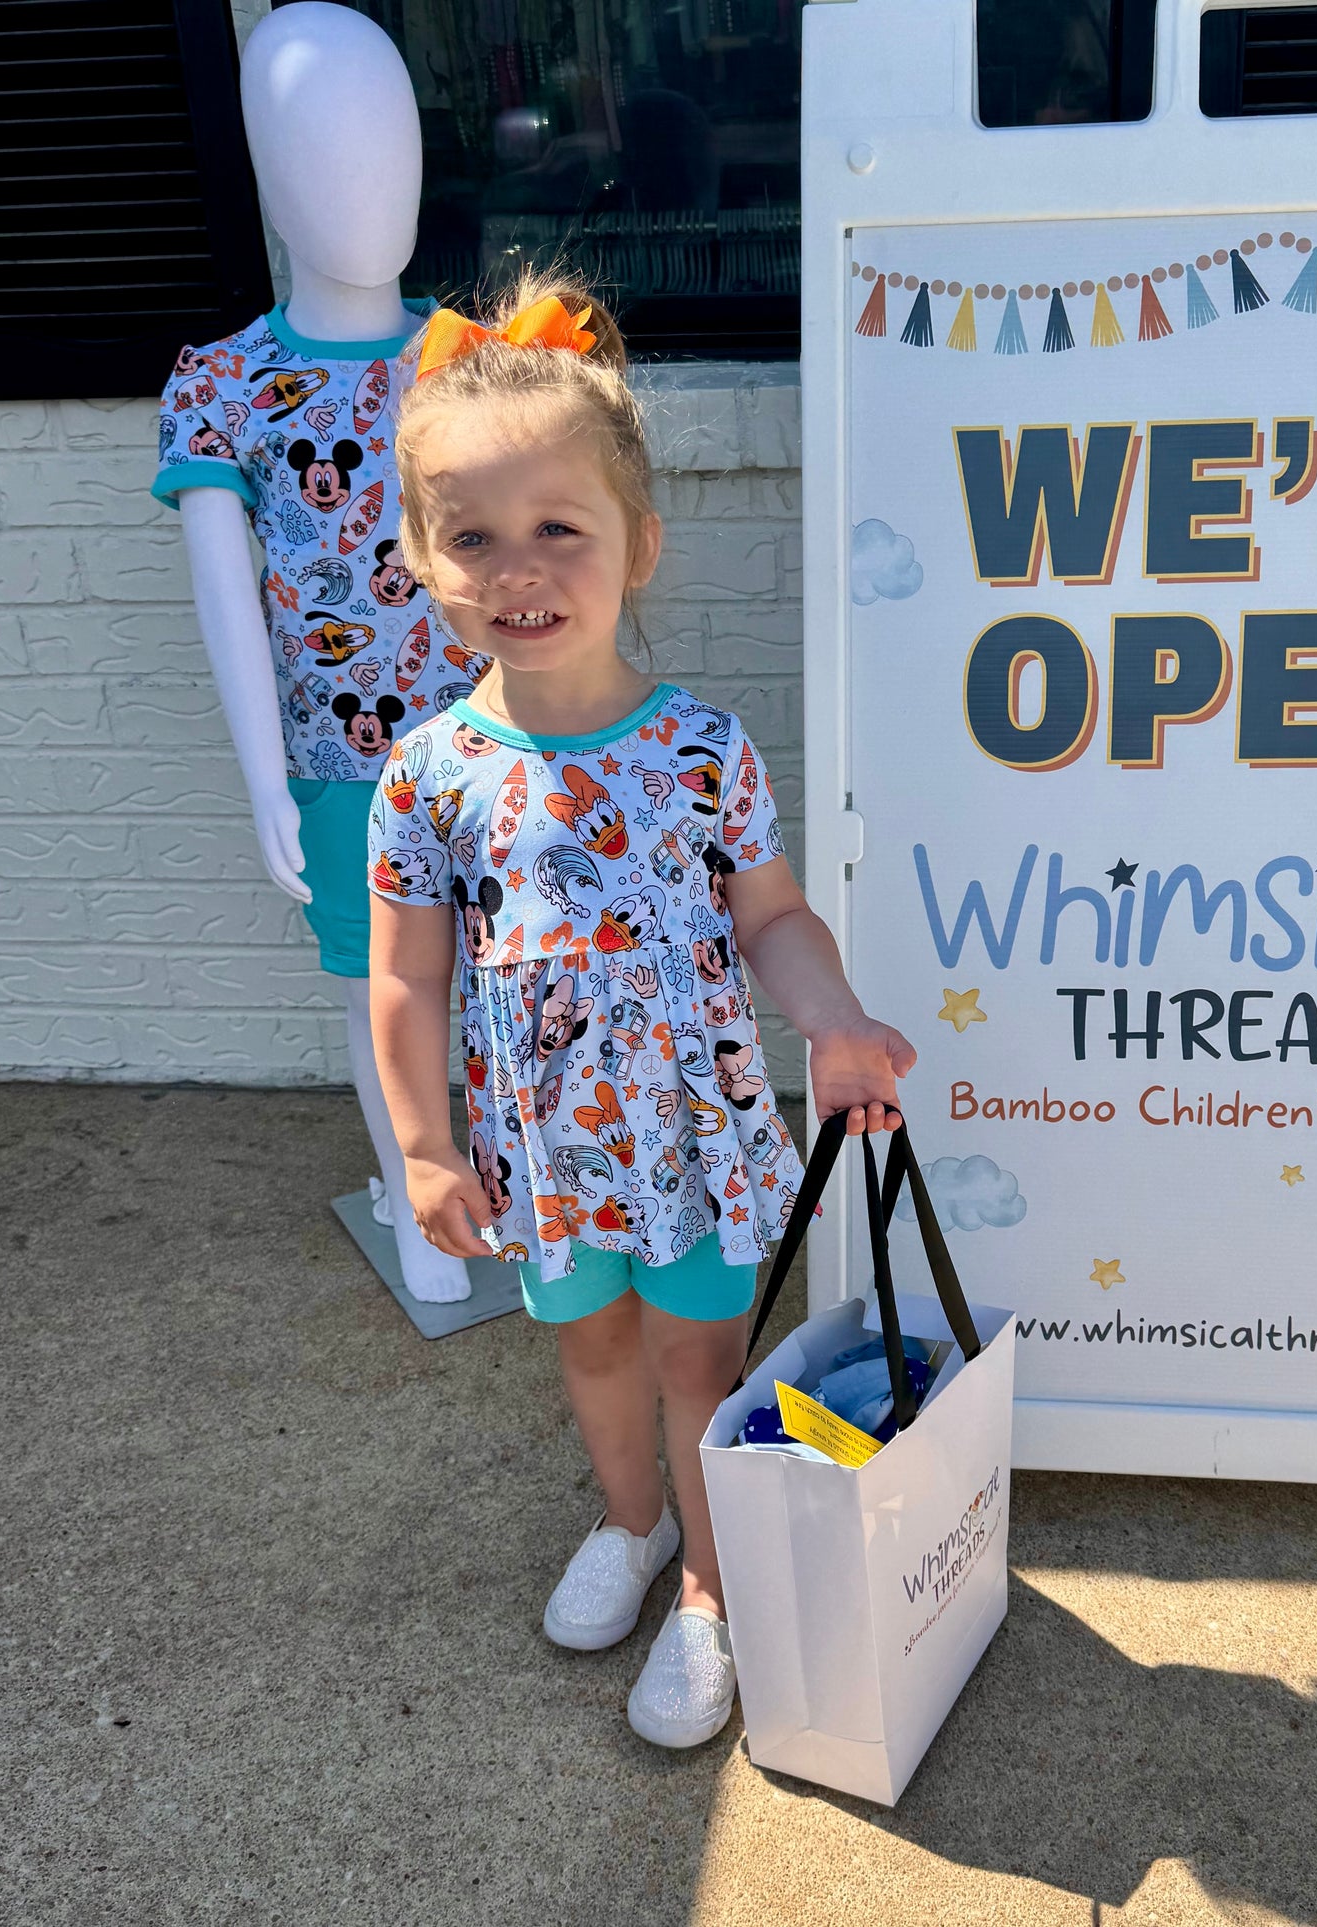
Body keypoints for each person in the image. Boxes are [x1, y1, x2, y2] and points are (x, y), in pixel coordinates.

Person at [367, 269, 914, 1748]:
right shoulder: (425, 774)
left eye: (559, 527)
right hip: (543, 1153)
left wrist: (838, 1024)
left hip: (698, 1134)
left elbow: (774, 921)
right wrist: (426, 1148)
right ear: (422, 558)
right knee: (592, 1349)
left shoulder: (698, 750)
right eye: (470, 534)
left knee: (696, 1360)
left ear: (637, 547)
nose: (517, 566)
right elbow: (406, 975)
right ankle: (631, 1528)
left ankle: (710, 1595)